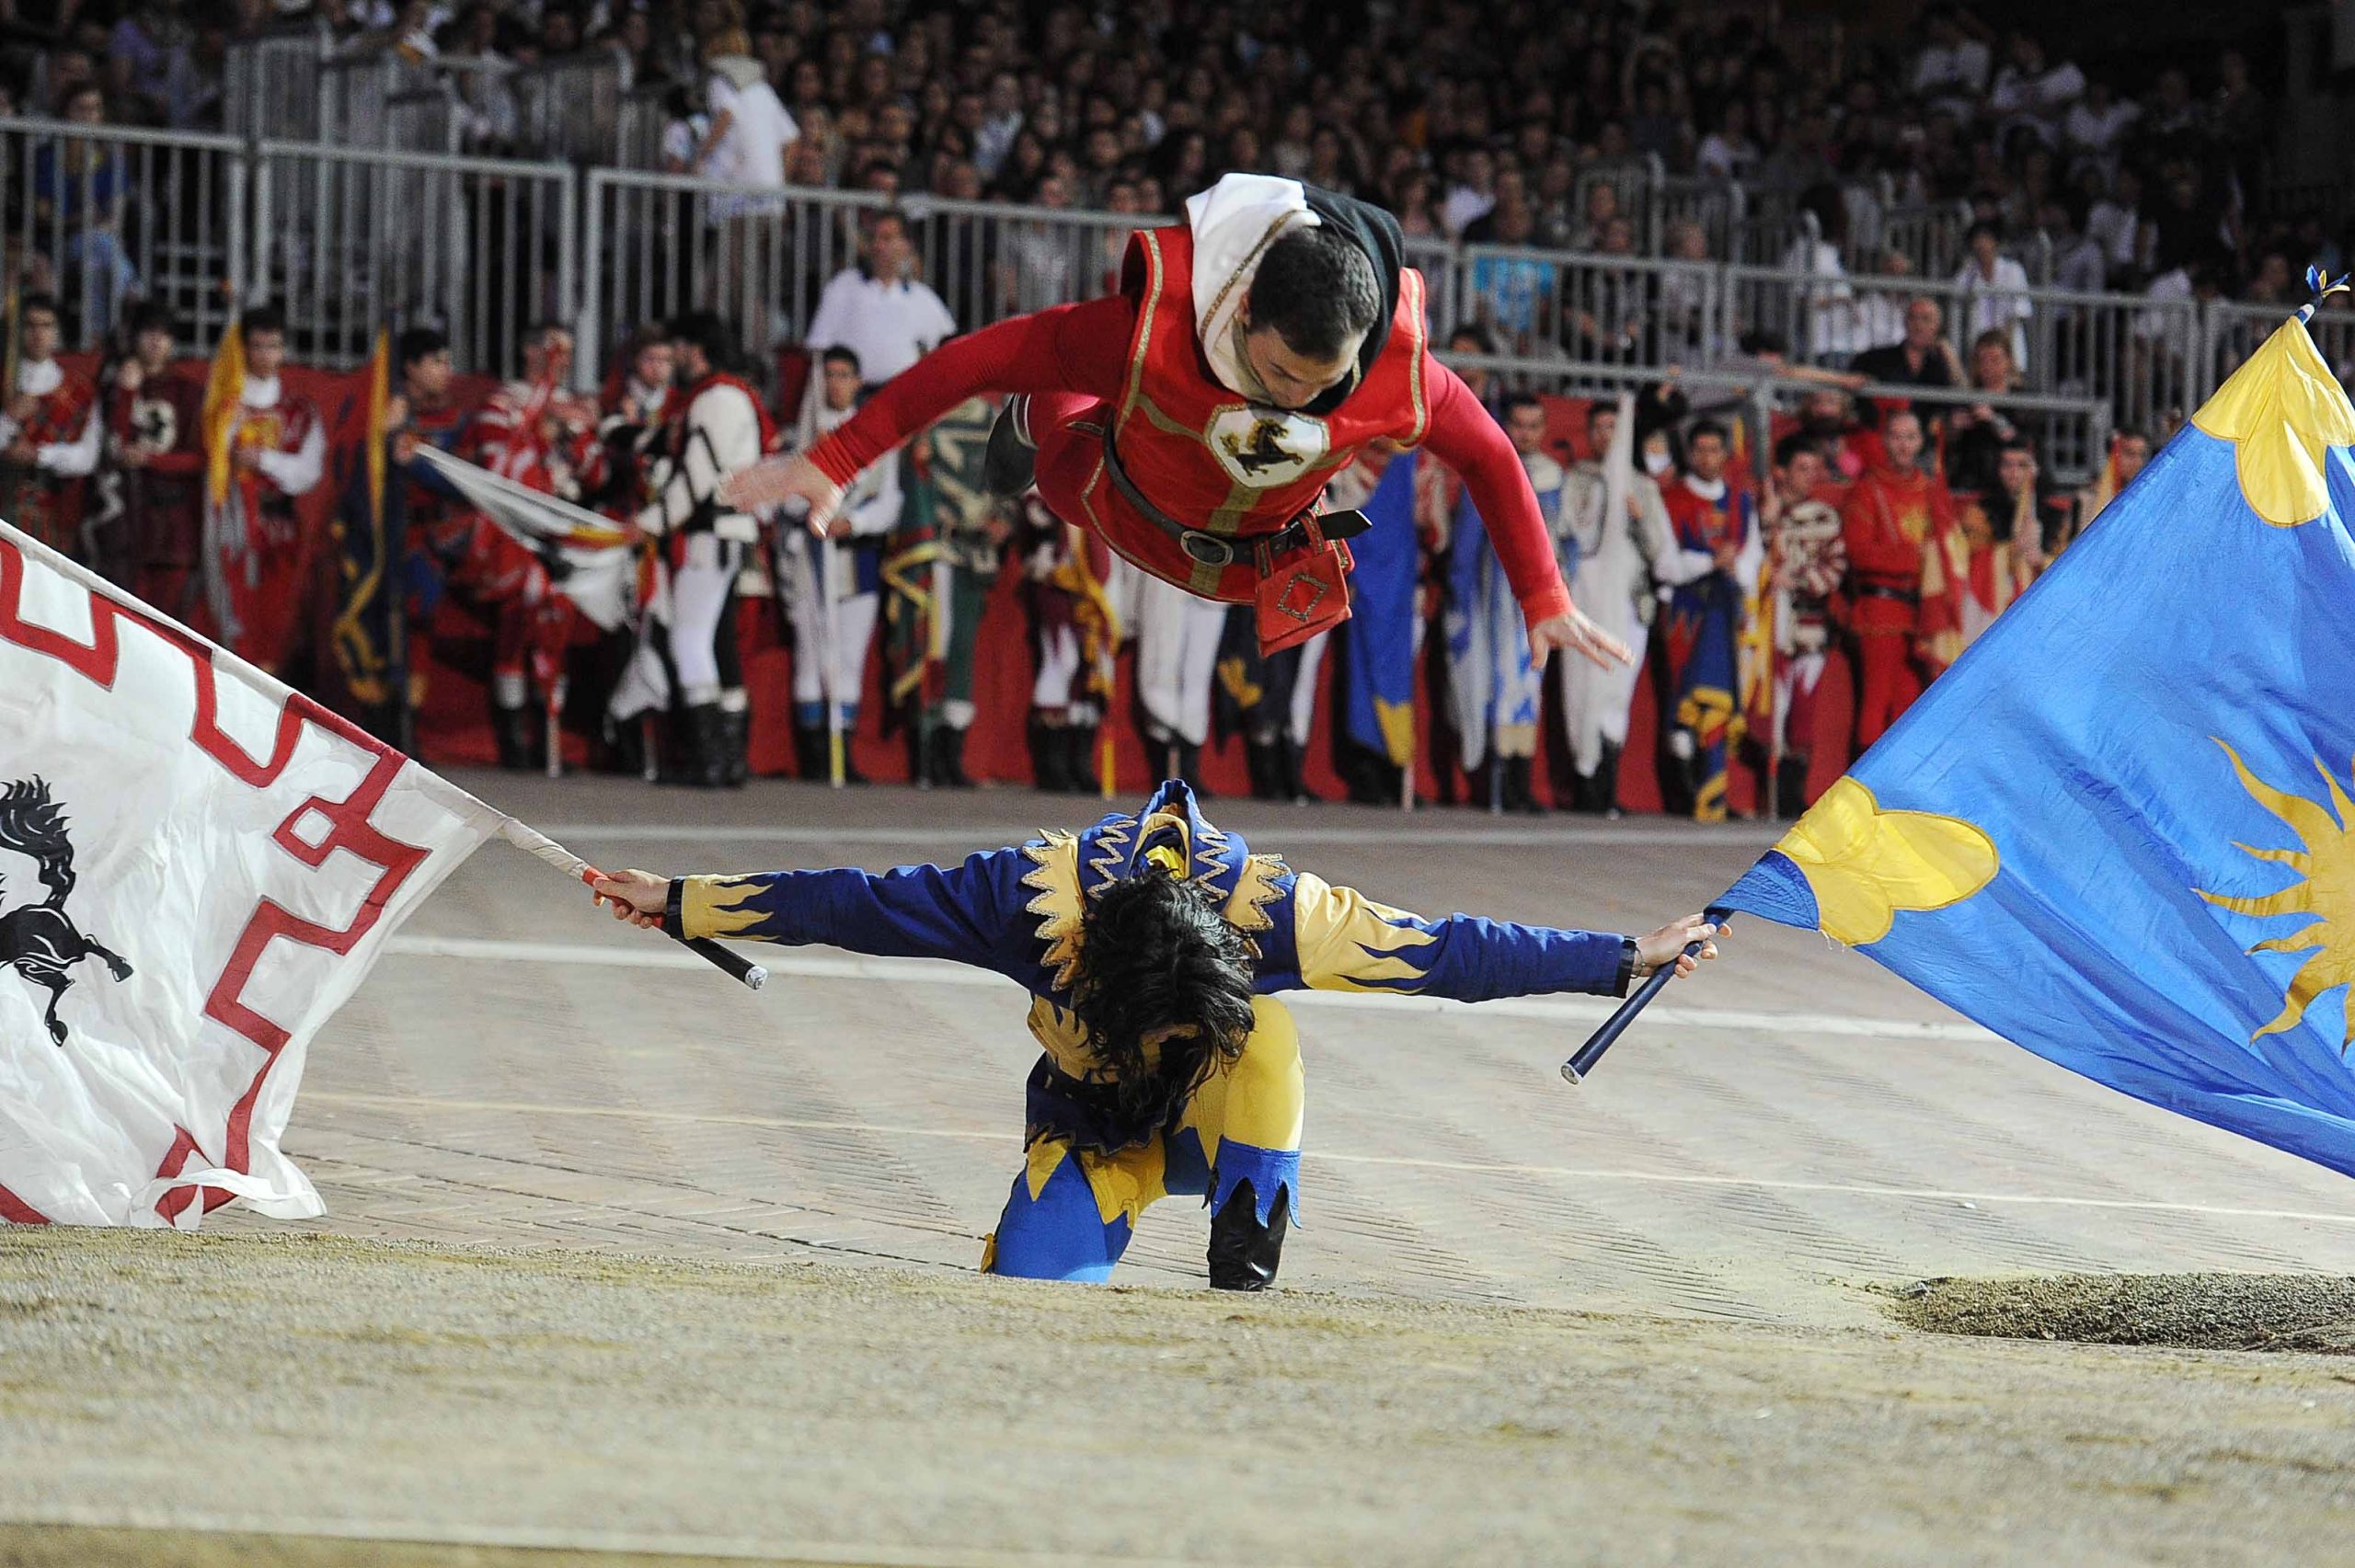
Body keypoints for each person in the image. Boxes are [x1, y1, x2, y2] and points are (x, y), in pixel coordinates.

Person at [588, 779, 1720, 1288]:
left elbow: (1450, 954)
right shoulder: (1020, 904)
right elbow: (850, 904)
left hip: (1224, 1111)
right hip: (1094, 1120)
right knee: (1036, 1283)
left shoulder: (1280, 914)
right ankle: (1104, 1209)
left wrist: (1625, 955)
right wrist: (678, 899)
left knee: (1262, 1038)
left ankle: (1245, 1246)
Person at [720, 172, 1626, 678]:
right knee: (1056, 427)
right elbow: (976, 359)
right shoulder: (1150, 326)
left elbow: (1490, 455)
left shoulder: (1398, 367)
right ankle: (1049, 410)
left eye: (1322, 383)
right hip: (1109, 495)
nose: (1292, 400)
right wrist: (835, 457)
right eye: (1279, 374)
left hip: (1246, 564)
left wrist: (1543, 593)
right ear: (1242, 314)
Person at [615, 310, 773, 788]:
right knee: (718, 642)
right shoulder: (730, 396)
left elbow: (697, 475)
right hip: (727, 532)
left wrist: (651, 522)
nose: (674, 357)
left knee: (690, 638)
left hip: (710, 533)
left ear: (695, 350)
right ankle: (729, 759)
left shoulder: (714, 399)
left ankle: (711, 759)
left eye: (679, 347)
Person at [461, 321, 607, 768]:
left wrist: (570, 435)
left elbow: (596, 474)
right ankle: (514, 744)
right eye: (551, 349)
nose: (560, 360)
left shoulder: (574, 409)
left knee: (556, 633)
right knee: (515, 630)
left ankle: (549, 741)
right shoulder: (502, 403)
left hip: (563, 537)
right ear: (529, 352)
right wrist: (532, 432)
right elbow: (495, 466)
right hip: (517, 534)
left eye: (567, 351)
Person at [1557, 397, 1681, 816]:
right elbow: (1562, 536)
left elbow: (1663, 555)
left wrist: (1639, 517)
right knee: (1580, 689)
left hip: (1628, 605)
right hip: (1583, 601)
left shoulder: (1642, 487)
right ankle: (1584, 783)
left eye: (1614, 427)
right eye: (1599, 428)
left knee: (1615, 692)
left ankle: (1606, 787)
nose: (1606, 436)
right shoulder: (1575, 481)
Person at [783, 346, 899, 783]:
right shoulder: (805, 434)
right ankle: (815, 757)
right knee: (811, 654)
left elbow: (890, 500)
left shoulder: (875, 435)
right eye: (829, 375)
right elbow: (786, 496)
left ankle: (842, 753)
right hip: (811, 556)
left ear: (858, 381)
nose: (836, 383)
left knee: (849, 655)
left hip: (857, 555)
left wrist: (855, 522)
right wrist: (813, 510)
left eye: (844, 374)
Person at [889, 390, 1010, 788]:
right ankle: (925, 753)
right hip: (937, 550)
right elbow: (911, 484)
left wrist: (1006, 518)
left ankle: (951, 754)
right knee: (933, 646)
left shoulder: (994, 420)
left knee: (961, 649)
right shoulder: (928, 417)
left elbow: (1011, 472)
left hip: (975, 552)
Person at [206, 305, 324, 675]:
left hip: (280, 531)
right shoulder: (223, 409)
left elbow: (308, 473)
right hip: (234, 529)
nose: (265, 355)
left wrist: (264, 460)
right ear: (243, 349)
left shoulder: (299, 410)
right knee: (234, 619)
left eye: (273, 346)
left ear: (284, 349)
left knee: (278, 624)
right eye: (257, 346)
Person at [1659, 420, 1758, 822]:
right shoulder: (1673, 499)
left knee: (1720, 702)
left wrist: (1736, 570)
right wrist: (1709, 562)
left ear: (1725, 454)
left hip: (1726, 613)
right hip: (1686, 614)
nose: (1707, 457)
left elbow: (1752, 560)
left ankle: (1711, 793)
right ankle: (1688, 793)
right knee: (1684, 706)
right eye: (1699, 449)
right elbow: (1665, 563)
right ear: (1689, 454)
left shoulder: (1740, 501)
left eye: (1714, 449)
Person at [1840, 408, 1955, 752]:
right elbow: (1859, 552)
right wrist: (1914, 559)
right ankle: (1864, 781)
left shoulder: (1929, 489)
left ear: (1920, 443)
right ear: (1885, 442)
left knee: (1909, 704)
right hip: (1881, 609)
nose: (1904, 446)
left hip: (1920, 613)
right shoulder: (1867, 490)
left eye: (1910, 437)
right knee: (1876, 702)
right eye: (1897, 437)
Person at [1759, 436, 1844, 818]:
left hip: (1809, 630)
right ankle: (1768, 795)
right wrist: (1767, 522)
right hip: (1767, 632)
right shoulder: (1764, 511)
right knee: (1771, 710)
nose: (1810, 476)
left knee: (1803, 713)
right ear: (1782, 472)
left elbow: (1835, 569)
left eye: (1814, 469)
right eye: (1801, 468)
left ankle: (1793, 794)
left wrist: (1797, 580)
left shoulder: (1825, 518)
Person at [103, 301, 205, 608]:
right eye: (149, 332)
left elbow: (200, 459)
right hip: (123, 515)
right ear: (135, 337)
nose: (156, 341)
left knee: (169, 614)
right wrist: (126, 392)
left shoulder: (188, 392)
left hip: (174, 520)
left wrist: (150, 459)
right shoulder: (112, 385)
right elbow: (112, 446)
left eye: (164, 333)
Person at [804, 210, 958, 388]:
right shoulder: (844, 286)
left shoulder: (923, 297)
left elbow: (951, 350)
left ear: (906, 245)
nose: (877, 245)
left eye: (886, 238)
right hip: (855, 398)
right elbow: (818, 349)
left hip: (906, 396)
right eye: (874, 237)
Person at [0, 292, 100, 558]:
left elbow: (87, 456)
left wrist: (39, 455)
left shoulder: (79, 390)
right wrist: (8, 419)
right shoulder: (5, 382)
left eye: (46, 325)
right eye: (30, 325)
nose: (38, 334)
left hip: (53, 512)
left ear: (57, 331)